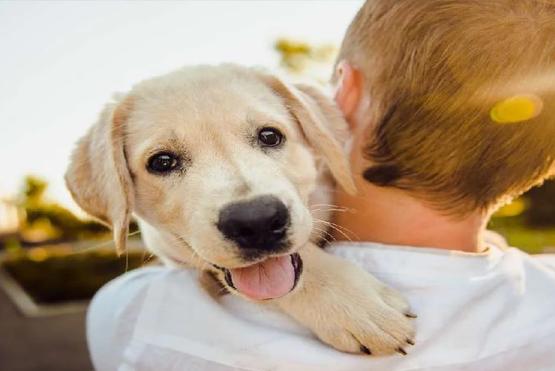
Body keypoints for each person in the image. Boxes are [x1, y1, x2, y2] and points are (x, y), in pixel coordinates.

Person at [87, 1, 555, 370]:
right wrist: (306, 279)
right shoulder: (542, 301)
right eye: (165, 161)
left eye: (268, 137)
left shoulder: (138, 320)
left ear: (340, 100)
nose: (247, 203)